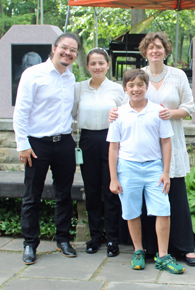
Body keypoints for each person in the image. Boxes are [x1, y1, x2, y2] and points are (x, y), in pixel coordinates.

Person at [110, 32, 195, 266]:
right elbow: (125, 104)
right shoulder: (140, 76)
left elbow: (190, 108)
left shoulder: (177, 76)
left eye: (159, 47)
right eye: (150, 48)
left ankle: (184, 247)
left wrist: (171, 113)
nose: (155, 51)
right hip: (141, 148)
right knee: (144, 201)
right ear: (144, 52)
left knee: (174, 199)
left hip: (170, 142)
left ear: (166, 50)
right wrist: (113, 113)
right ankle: (148, 248)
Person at [107, 69, 185, 274]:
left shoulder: (158, 112)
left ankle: (163, 256)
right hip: (127, 168)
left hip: (153, 168)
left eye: (140, 85)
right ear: (125, 88)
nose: (136, 89)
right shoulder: (118, 113)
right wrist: (113, 177)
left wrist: (166, 172)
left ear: (146, 87)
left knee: (163, 210)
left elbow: (166, 143)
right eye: (131, 85)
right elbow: (113, 147)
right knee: (132, 211)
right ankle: (138, 250)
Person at [13, 33, 80, 265]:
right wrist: (22, 144)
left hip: (64, 143)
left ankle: (63, 239)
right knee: (32, 196)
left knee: (64, 195)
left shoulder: (71, 78)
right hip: (36, 144)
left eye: (73, 50)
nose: (68, 53)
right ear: (54, 48)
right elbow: (21, 111)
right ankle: (30, 243)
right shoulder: (33, 74)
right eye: (64, 48)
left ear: (76, 54)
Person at [73, 48, 125, 257]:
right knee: (92, 192)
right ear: (87, 66)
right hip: (87, 141)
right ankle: (95, 237)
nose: (97, 67)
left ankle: (113, 239)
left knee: (111, 190)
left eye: (101, 63)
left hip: (111, 141)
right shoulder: (78, 89)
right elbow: (69, 113)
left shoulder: (116, 89)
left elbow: (126, 114)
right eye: (93, 63)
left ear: (108, 65)